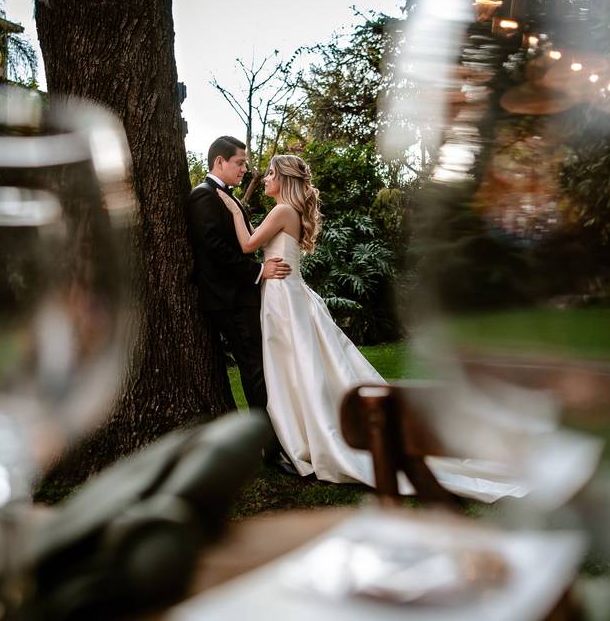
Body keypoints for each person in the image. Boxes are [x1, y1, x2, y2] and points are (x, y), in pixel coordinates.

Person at [217, 154, 527, 502]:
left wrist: (234, 211)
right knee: (297, 367)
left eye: (271, 173)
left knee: (295, 367)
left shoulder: (282, 210)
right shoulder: (289, 211)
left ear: (284, 179)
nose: (265, 178)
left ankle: (308, 435)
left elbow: (247, 245)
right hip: (286, 294)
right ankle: (302, 432)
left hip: (284, 298)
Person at [184, 136, 290, 415]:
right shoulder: (203, 195)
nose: (245, 169)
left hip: (240, 296)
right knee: (254, 368)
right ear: (220, 161)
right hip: (229, 299)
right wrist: (259, 270)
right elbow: (214, 248)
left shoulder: (225, 196)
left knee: (259, 365)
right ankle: (267, 434)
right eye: (240, 163)